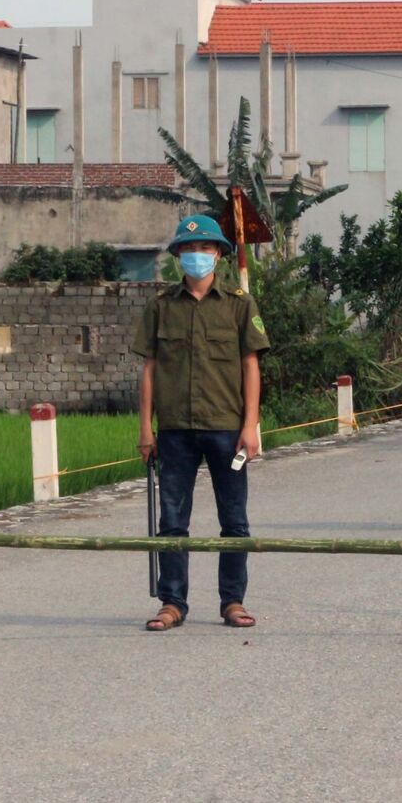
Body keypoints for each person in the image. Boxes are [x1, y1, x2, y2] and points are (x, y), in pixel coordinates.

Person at [132, 214, 271, 631]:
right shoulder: (161, 308)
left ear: (219, 256)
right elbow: (149, 370)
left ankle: (233, 601)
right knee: (172, 519)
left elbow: (251, 367)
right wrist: (145, 428)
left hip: (227, 427)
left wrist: (251, 425)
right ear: (178, 256)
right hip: (175, 429)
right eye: (189, 250)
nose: (197, 256)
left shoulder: (239, 305)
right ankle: (172, 602)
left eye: (205, 249)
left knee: (235, 520)